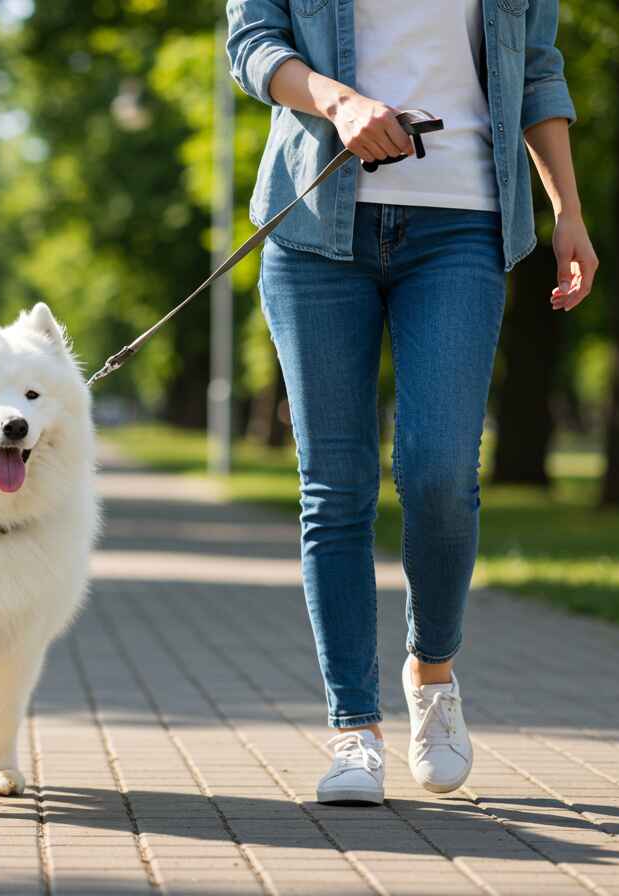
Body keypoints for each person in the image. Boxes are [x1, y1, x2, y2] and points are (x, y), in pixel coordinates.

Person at [226, 0, 596, 804]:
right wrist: (339, 101)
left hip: (463, 224)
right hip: (317, 226)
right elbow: (251, 42)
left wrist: (567, 208)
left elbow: (536, 67)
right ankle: (354, 729)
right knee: (336, 486)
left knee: (438, 472)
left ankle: (433, 676)